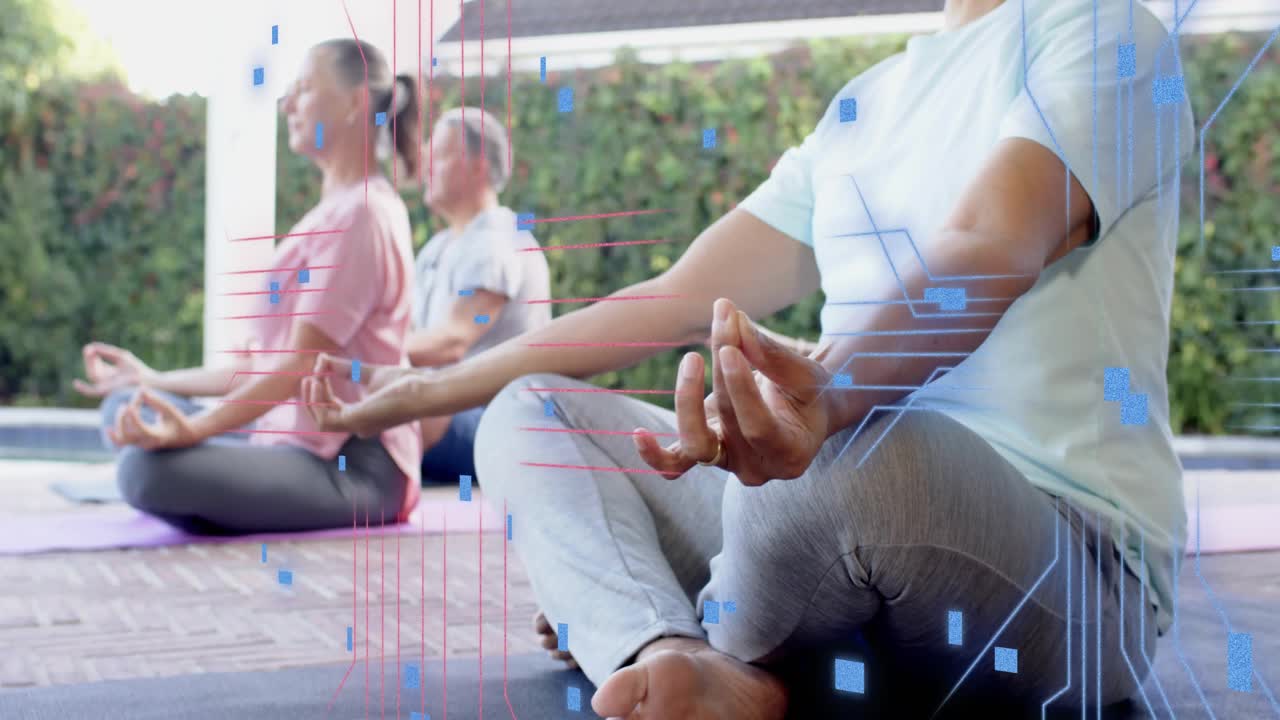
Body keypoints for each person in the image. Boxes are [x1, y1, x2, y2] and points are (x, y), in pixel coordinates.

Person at [301, 0, 1192, 715]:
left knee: (849, 454)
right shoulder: (863, 104)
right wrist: (430, 385)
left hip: (1064, 560)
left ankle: (666, 610)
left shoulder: (1108, 33)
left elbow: (990, 243)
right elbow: (672, 297)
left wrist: (828, 395)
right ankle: (673, 654)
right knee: (533, 414)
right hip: (827, 492)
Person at [74, 38, 424, 534]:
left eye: (305, 88)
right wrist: (152, 379)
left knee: (145, 470)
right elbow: (259, 368)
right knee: (126, 406)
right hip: (286, 439)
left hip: (351, 464)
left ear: (355, 103)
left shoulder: (363, 215)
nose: (288, 104)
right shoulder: (331, 213)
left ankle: (222, 497)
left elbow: (299, 365)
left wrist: (195, 429)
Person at [404, 107, 552, 485]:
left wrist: (358, 356)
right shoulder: (438, 248)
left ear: (478, 166)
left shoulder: (495, 241)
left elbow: (452, 343)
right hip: (446, 408)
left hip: (498, 424)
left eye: (439, 155)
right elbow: (412, 337)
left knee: (387, 411)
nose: (426, 167)